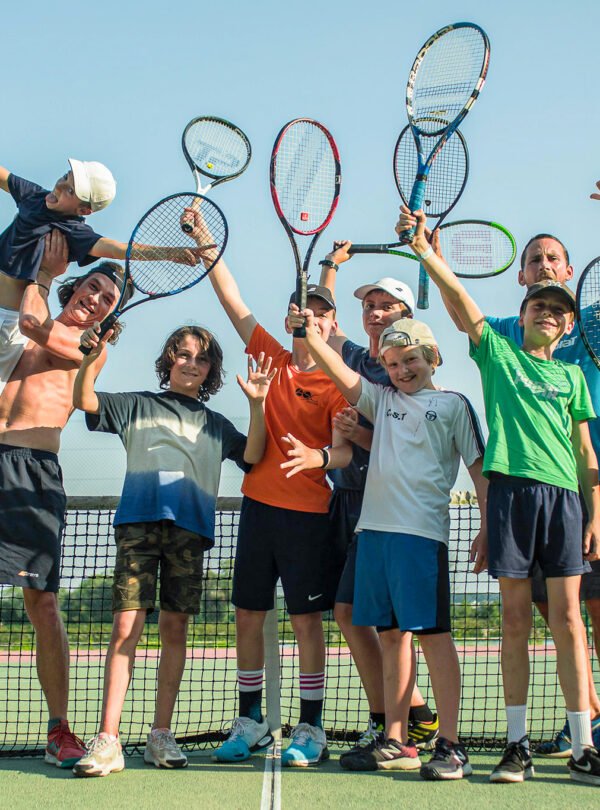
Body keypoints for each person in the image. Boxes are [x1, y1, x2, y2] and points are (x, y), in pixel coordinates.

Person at [398, 205, 600, 786]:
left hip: (564, 503)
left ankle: (584, 745)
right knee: (515, 620)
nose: (548, 314)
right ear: (523, 312)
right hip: (512, 496)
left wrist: (594, 515)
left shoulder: (574, 377)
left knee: (569, 621)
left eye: (557, 310)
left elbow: (586, 453)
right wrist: (426, 252)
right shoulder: (498, 353)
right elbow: (462, 304)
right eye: (539, 306)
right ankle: (517, 746)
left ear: (568, 324)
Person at [285, 304, 487, 780]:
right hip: (373, 534)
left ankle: (451, 744)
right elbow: (342, 372)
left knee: (433, 636)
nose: (402, 370)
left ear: (432, 357)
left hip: (421, 537)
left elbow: (479, 470)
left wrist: (488, 527)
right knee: (392, 636)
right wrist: (310, 335)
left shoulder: (454, 405)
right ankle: (396, 740)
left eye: (410, 360)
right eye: (393, 364)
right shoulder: (382, 400)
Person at [185, 208, 351, 768]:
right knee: (247, 615)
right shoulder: (269, 356)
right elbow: (231, 298)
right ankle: (251, 721)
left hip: (310, 516)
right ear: (290, 318)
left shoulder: (336, 384)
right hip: (258, 509)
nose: (312, 317)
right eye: (304, 310)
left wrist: (319, 456)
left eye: (322, 313)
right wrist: (206, 239)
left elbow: (346, 451)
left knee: (306, 622)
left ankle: (311, 727)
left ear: (331, 325)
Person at [70, 324, 275, 777]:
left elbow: (255, 456)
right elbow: (84, 400)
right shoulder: (136, 404)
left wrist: (257, 404)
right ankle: (107, 739)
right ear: (169, 360)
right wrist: (90, 359)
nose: (191, 363)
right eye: (183, 355)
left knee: (175, 629)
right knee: (125, 628)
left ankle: (160, 734)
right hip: (138, 526)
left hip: (190, 531)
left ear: (211, 369)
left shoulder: (216, 425)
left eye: (201, 358)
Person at [0, 231, 128, 768]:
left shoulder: (89, 350)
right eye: (92, 287)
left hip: (31, 471)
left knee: (42, 603)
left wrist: (46, 274)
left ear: (109, 317)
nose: (95, 298)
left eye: (107, 299)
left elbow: (35, 324)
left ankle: (59, 730)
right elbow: (20, 305)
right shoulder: (30, 315)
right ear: (77, 288)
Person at [311, 246, 438, 765]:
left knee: (388, 624)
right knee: (348, 613)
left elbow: (400, 443)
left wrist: (359, 435)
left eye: (387, 306)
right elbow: (320, 324)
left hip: (388, 506)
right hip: (348, 500)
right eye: (370, 305)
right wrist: (329, 269)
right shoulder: (359, 360)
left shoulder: (406, 372)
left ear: (405, 316)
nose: (376, 312)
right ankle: (403, 714)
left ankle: (395, 726)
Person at [0, 159, 204, 313]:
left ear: (83, 210)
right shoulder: (34, 196)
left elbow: (117, 249)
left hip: (7, 318)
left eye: (70, 191)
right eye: (65, 177)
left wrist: (169, 253)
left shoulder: (74, 231)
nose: (60, 186)